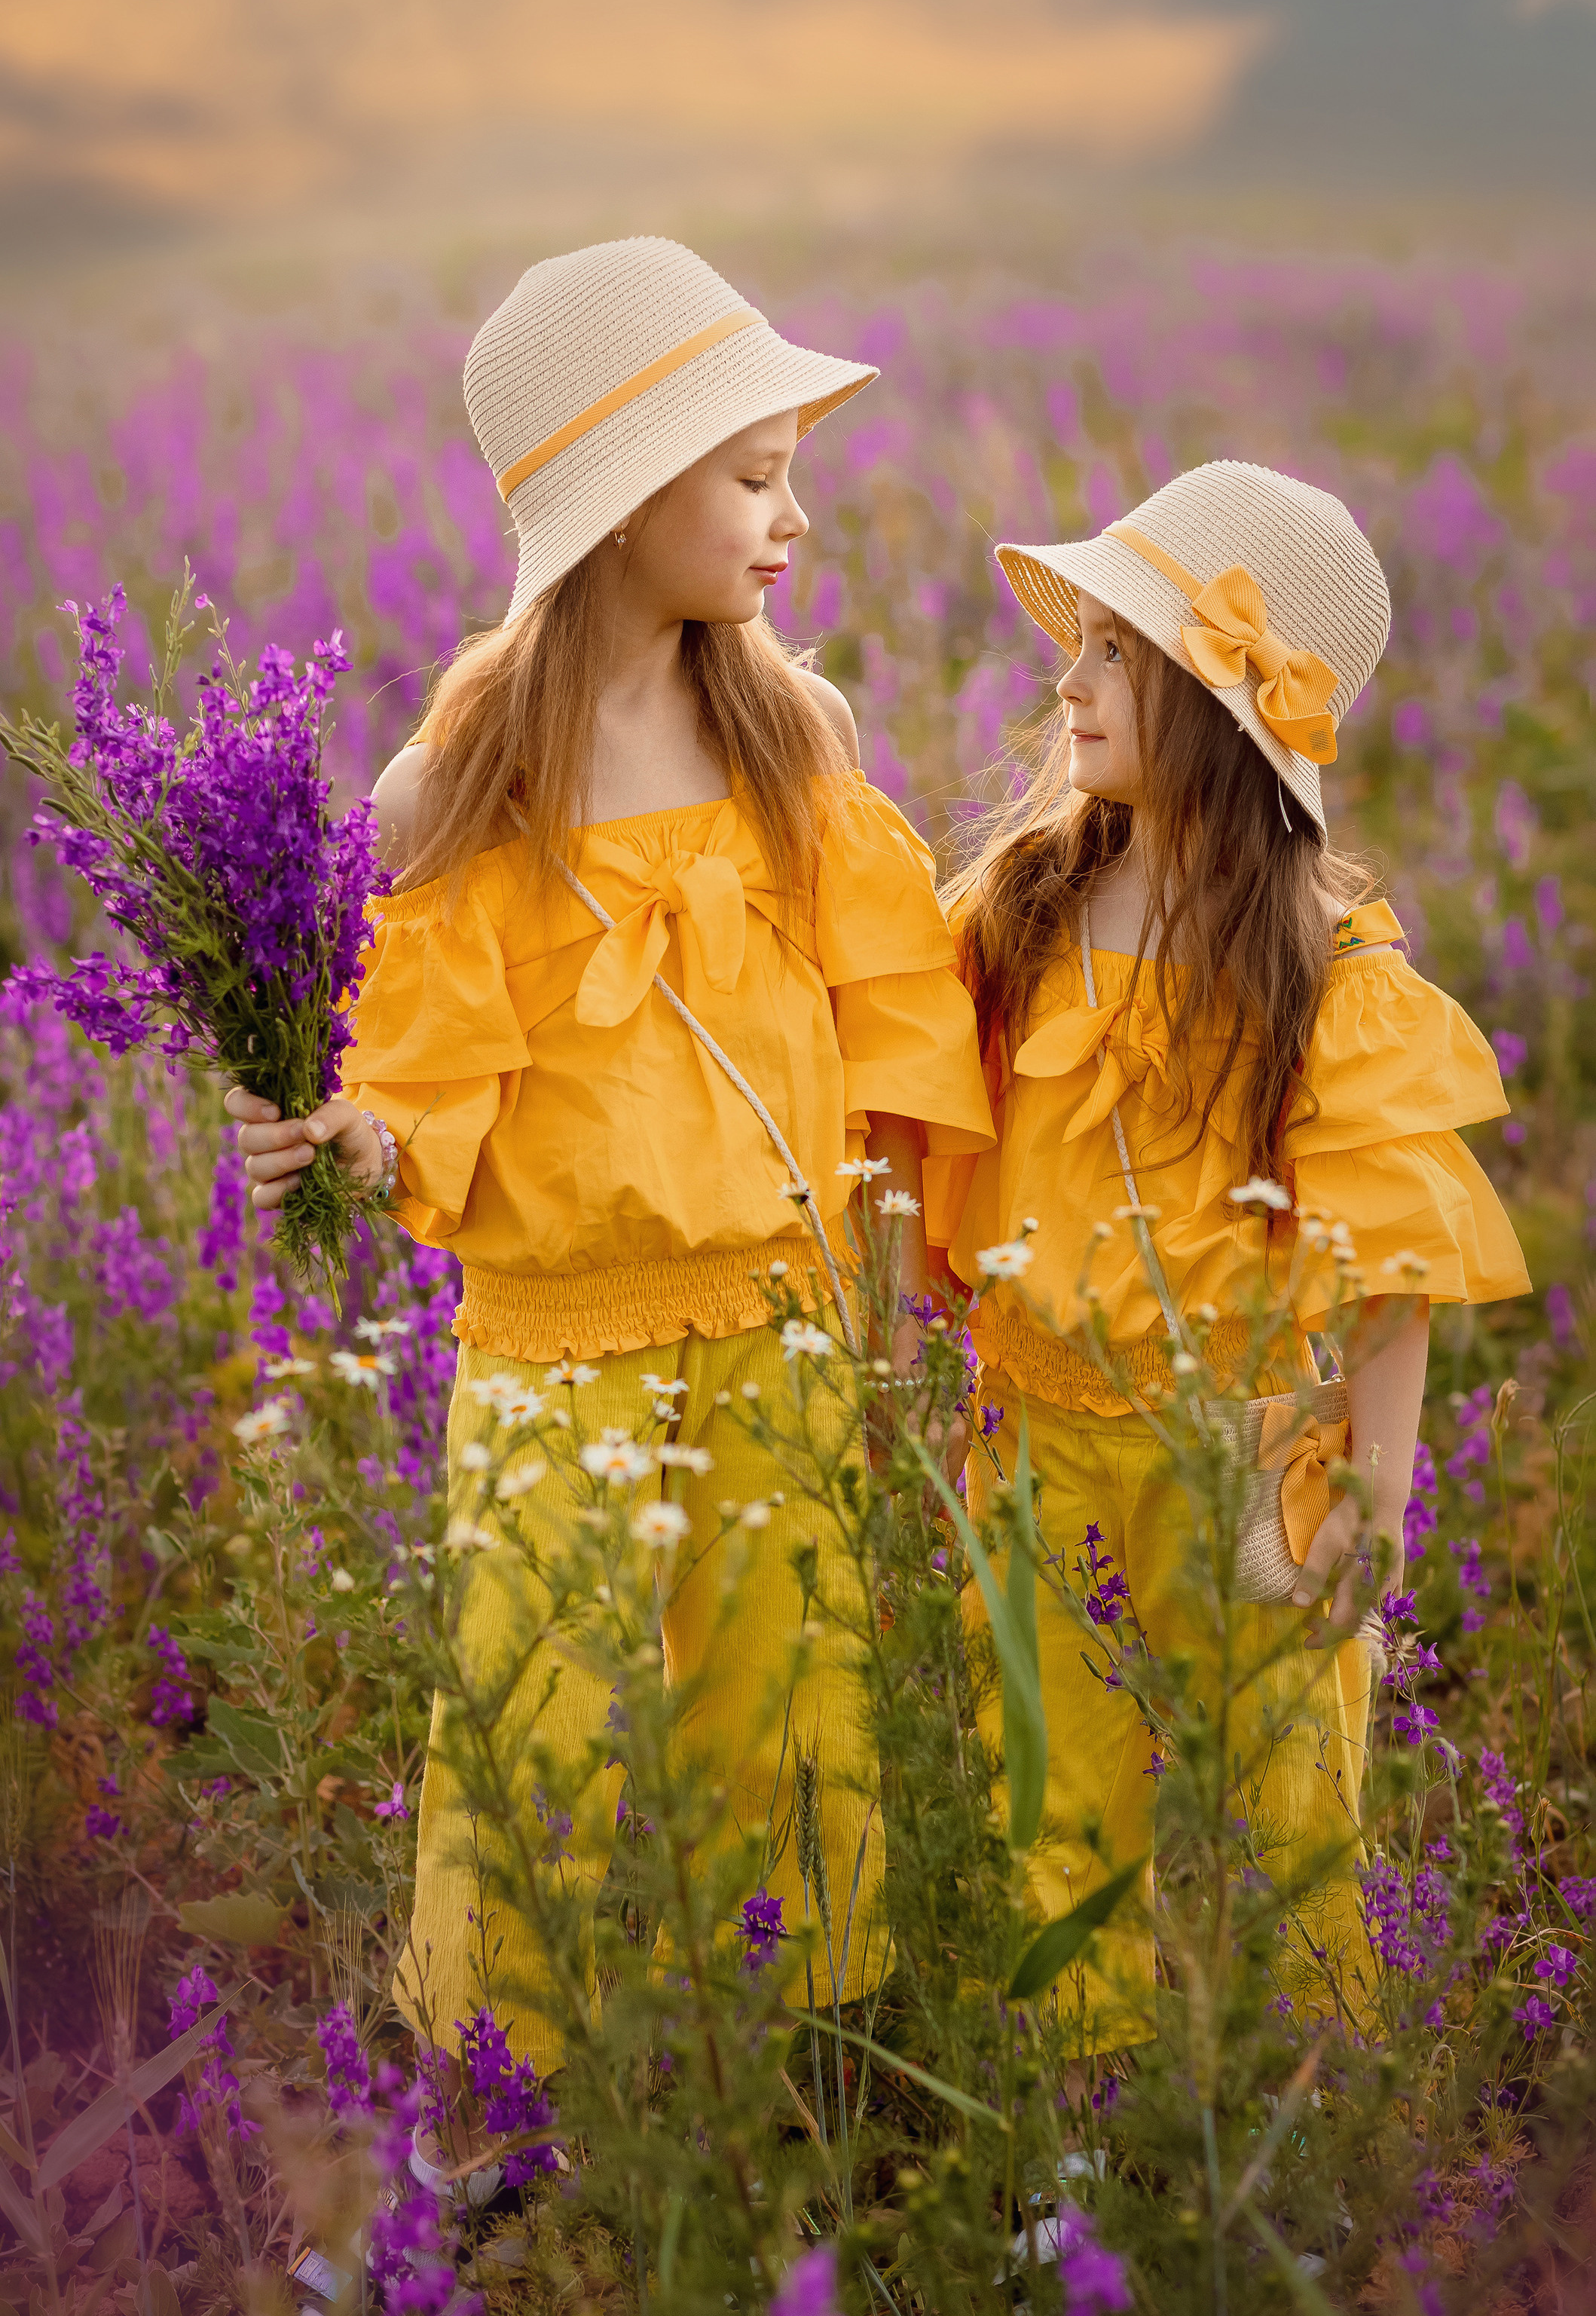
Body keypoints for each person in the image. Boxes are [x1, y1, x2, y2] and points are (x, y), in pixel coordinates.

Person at [227, 236, 992, 2128]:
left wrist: (901, 1280)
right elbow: (427, 1060)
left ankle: (805, 2077)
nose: (792, 514)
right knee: (539, 1711)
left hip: (778, 1320)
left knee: (786, 1699)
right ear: (629, 498)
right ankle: (518, 2103)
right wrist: (343, 1134)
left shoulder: (788, 740)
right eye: (752, 477)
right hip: (559, 1341)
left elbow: (888, 1021)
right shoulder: (463, 778)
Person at [928, 459, 1528, 2051]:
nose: (1070, 677)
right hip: (1042, 1440)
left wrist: (1376, 1506)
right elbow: (905, 1120)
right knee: (1050, 1794)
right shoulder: (1019, 907)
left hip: (1255, 1454)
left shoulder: (1322, 966)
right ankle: (1080, 2139)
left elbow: (1392, 1262)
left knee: (1284, 1802)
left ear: (1219, 700)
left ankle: (1296, 2130)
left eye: (1117, 650)